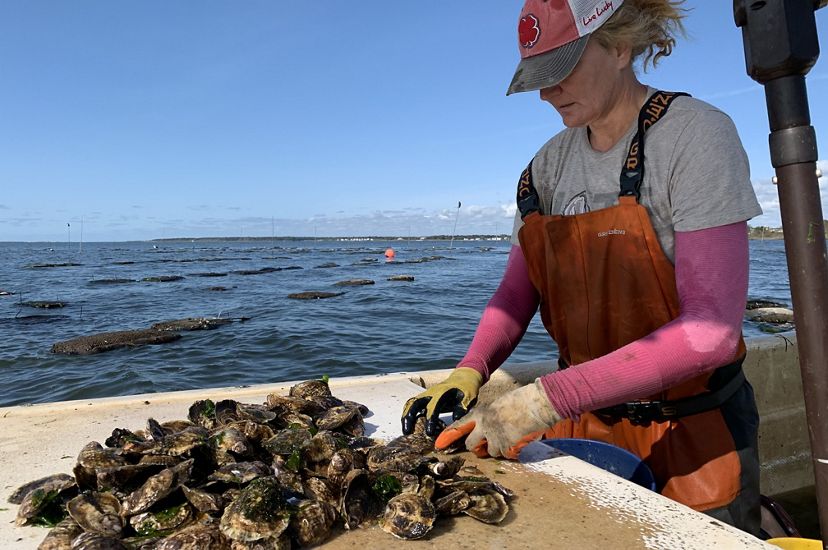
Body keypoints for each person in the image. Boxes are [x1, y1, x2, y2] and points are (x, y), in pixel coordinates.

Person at [400, 0, 763, 536]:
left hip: (692, 433)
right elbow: (515, 295)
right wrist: (470, 369)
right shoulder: (545, 167)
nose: (547, 92)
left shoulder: (695, 136)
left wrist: (547, 398)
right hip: (582, 428)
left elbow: (710, 332)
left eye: (561, 69)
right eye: (537, 76)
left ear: (619, 46)